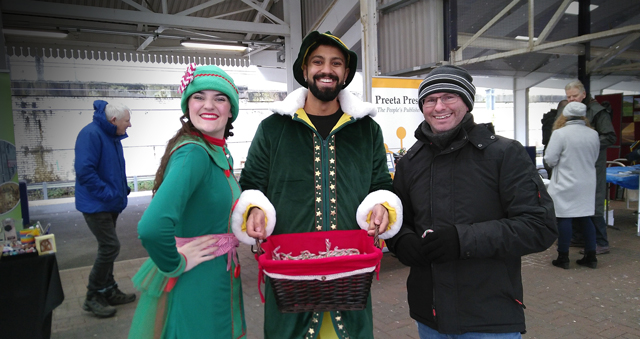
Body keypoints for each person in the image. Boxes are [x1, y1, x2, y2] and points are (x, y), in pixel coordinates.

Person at [232, 31, 403, 339]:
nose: (327, 69)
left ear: (346, 73)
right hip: (290, 273)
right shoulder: (272, 129)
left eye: (336, 63)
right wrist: (254, 208)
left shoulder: (368, 131)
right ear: (304, 70)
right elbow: (251, 184)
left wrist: (382, 204)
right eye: (318, 61)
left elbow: (381, 184)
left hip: (350, 270)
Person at [386, 65, 558, 338]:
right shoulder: (410, 162)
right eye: (430, 100)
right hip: (430, 316)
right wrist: (400, 241)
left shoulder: (503, 154)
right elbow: (399, 221)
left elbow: (539, 226)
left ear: (466, 102)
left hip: (489, 315)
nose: (439, 106)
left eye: (449, 97)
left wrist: (462, 239)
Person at [128, 64, 246, 339]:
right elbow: (152, 227)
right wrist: (175, 263)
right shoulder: (193, 153)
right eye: (198, 96)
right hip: (198, 283)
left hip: (217, 279)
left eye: (220, 98)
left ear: (231, 110)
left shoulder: (216, 151)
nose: (209, 105)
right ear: (187, 105)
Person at [74, 100, 136, 318]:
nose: (129, 125)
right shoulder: (91, 134)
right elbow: (85, 172)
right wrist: (110, 194)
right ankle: (92, 296)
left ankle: (108, 290)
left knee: (108, 247)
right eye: (127, 121)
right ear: (114, 120)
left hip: (109, 203)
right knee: (110, 246)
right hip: (96, 204)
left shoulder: (111, 135)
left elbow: (112, 168)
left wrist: (121, 188)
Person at [562, 80, 616, 255]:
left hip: (594, 165)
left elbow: (610, 137)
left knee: (594, 201)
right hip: (577, 165)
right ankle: (579, 237)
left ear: (584, 95)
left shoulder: (598, 112)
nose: (572, 100)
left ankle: (601, 242)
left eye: (575, 96)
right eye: (568, 97)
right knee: (577, 200)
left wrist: (586, 143)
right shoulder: (570, 113)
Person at [545, 102, 600, 269]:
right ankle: (591, 256)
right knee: (586, 218)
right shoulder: (593, 134)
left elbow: (549, 159)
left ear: (565, 115)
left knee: (564, 217)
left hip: (565, 182)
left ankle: (563, 257)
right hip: (587, 182)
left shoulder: (560, 134)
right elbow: (595, 157)